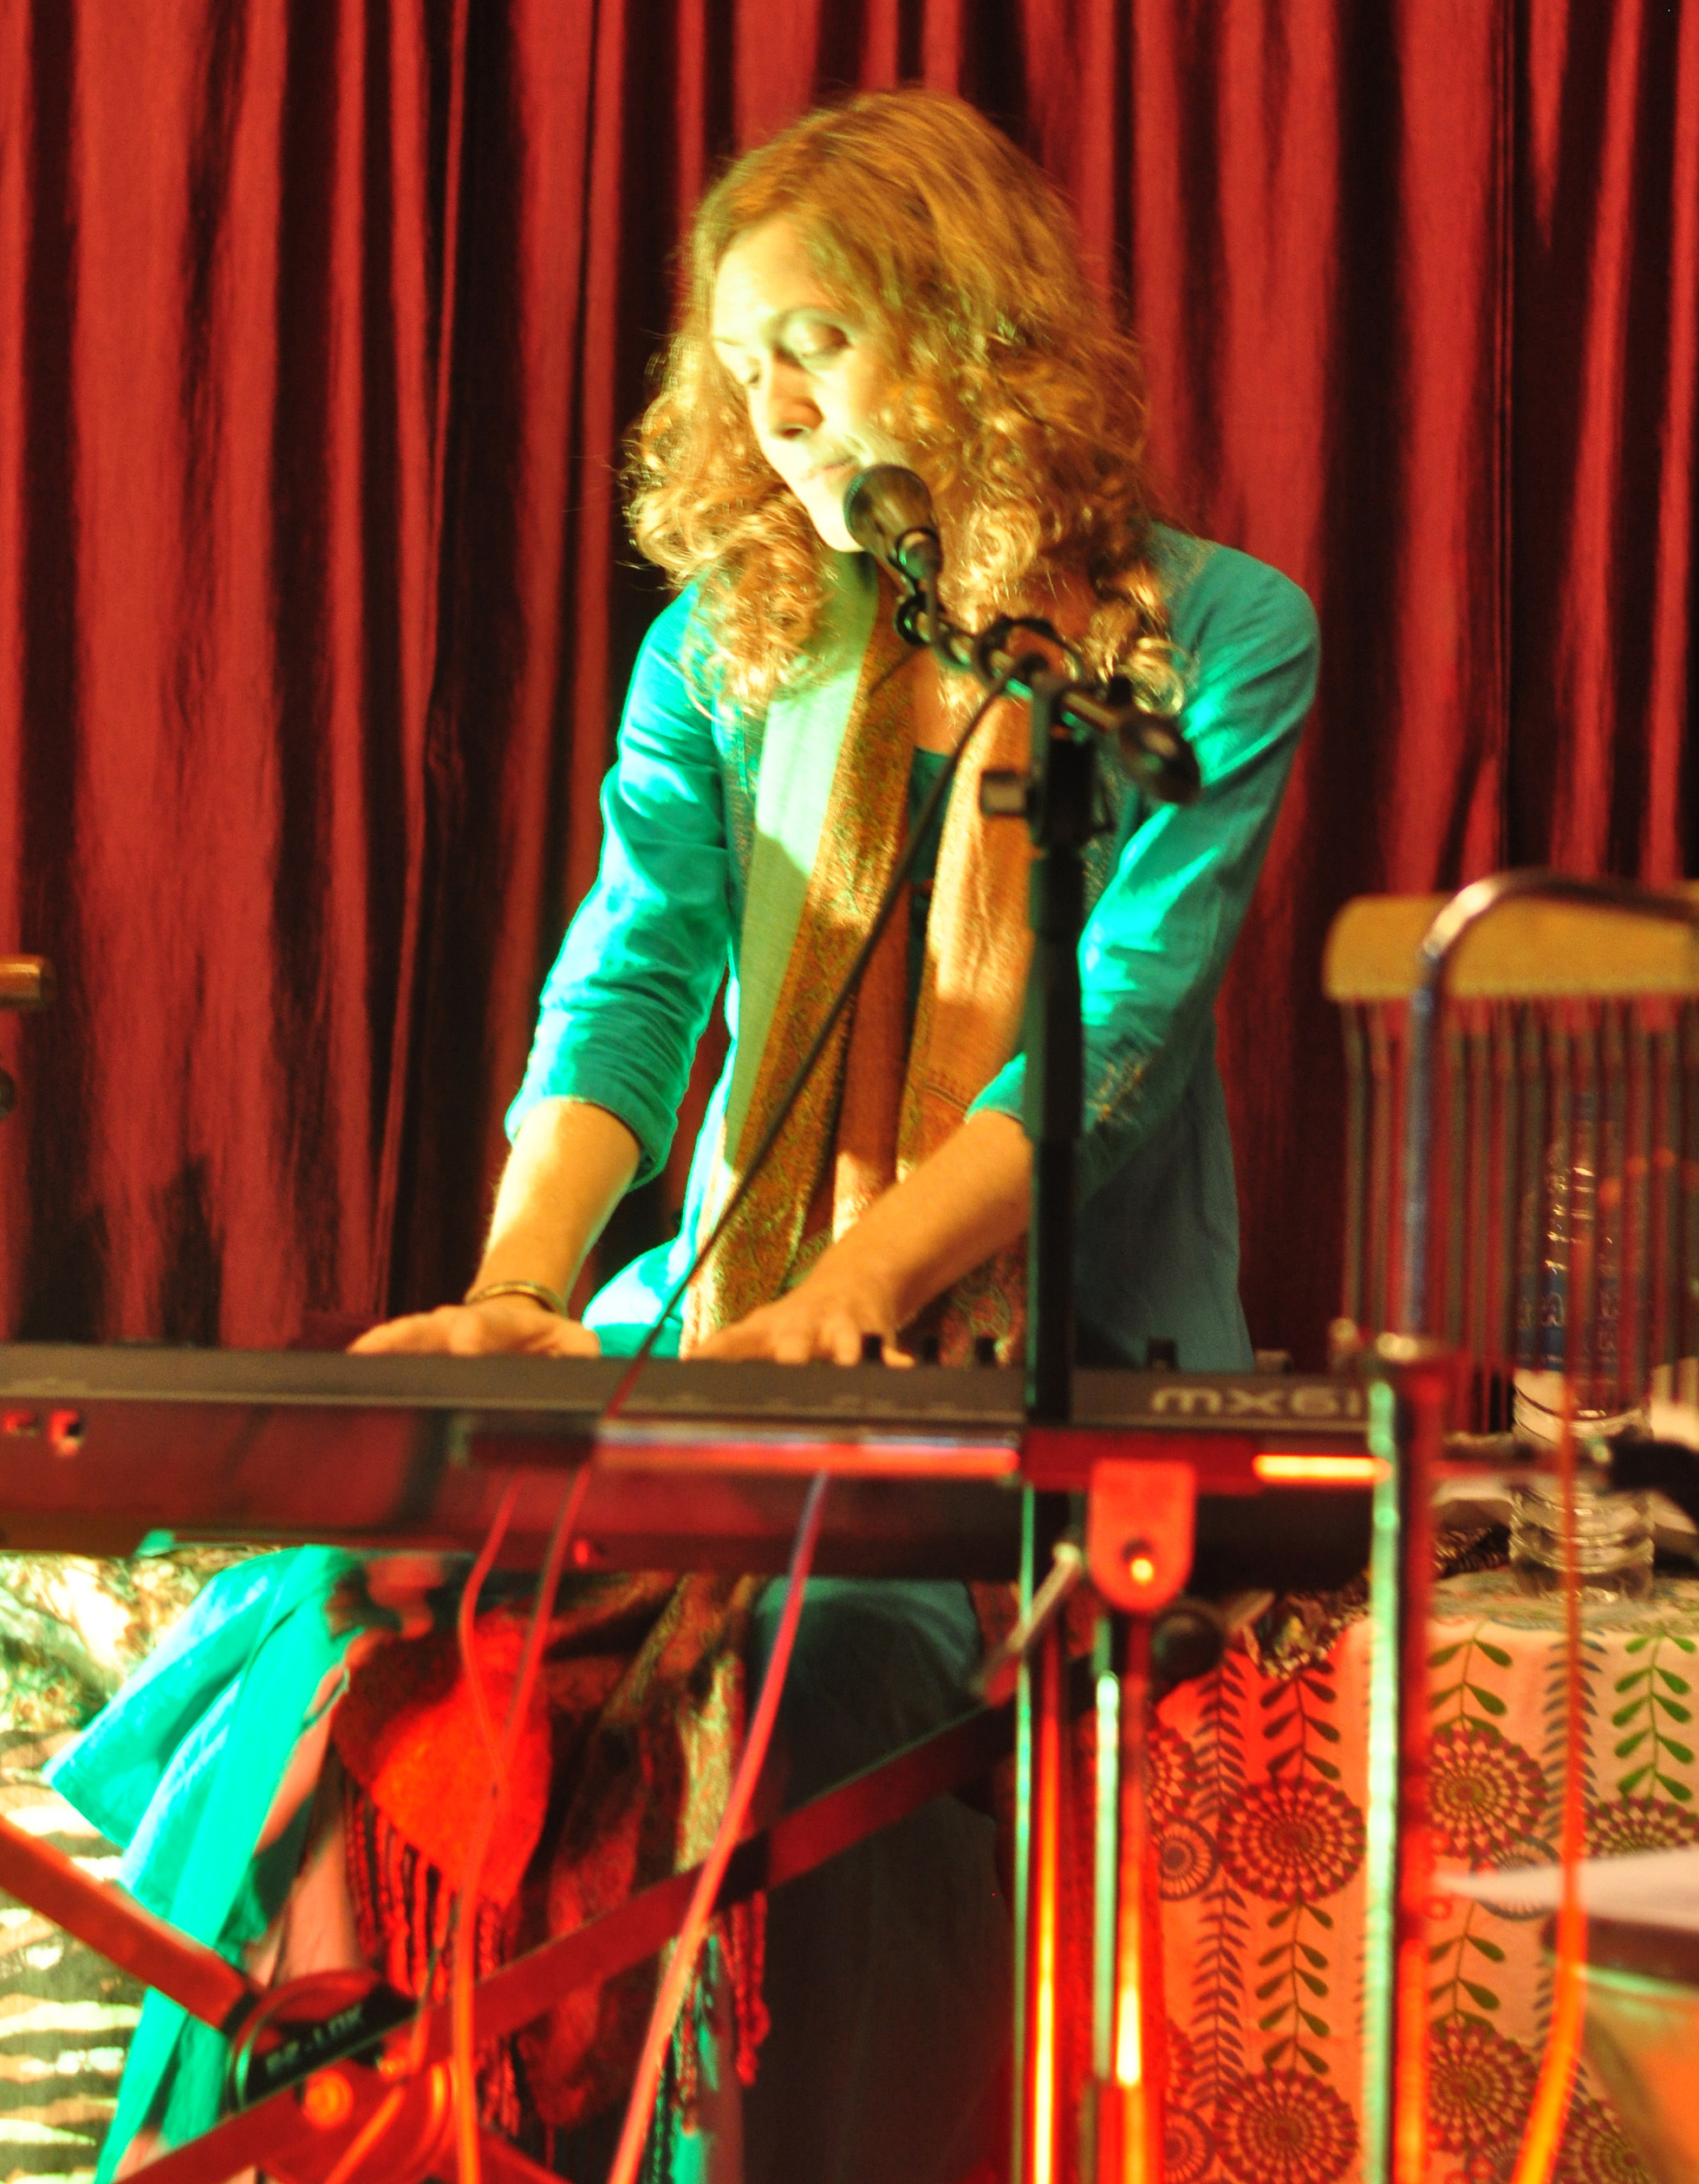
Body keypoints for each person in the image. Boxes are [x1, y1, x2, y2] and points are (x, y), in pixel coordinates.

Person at [50, 86, 1318, 2184]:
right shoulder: (724, 644)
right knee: (363, 1622)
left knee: (826, 1690)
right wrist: (521, 1289)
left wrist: (853, 1296)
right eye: (743, 365)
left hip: (1046, 1364)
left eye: (815, 343)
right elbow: (628, 986)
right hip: (717, 1321)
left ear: (966, 330)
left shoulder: (1208, 639)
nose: (775, 408)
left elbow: (1105, 1045)